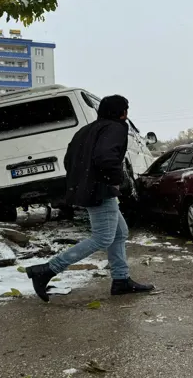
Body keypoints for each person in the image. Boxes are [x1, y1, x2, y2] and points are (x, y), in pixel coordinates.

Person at [26, 95, 154, 302]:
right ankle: (47, 270)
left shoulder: (85, 130)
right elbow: (105, 157)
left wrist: (84, 180)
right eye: (126, 109)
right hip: (100, 190)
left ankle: (121, 280)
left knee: (120, 233)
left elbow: (68, 160)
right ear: (122, 112)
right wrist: (115, 180)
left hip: (87, 188)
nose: (127, 114)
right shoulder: (116, 127)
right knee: (102, 237)